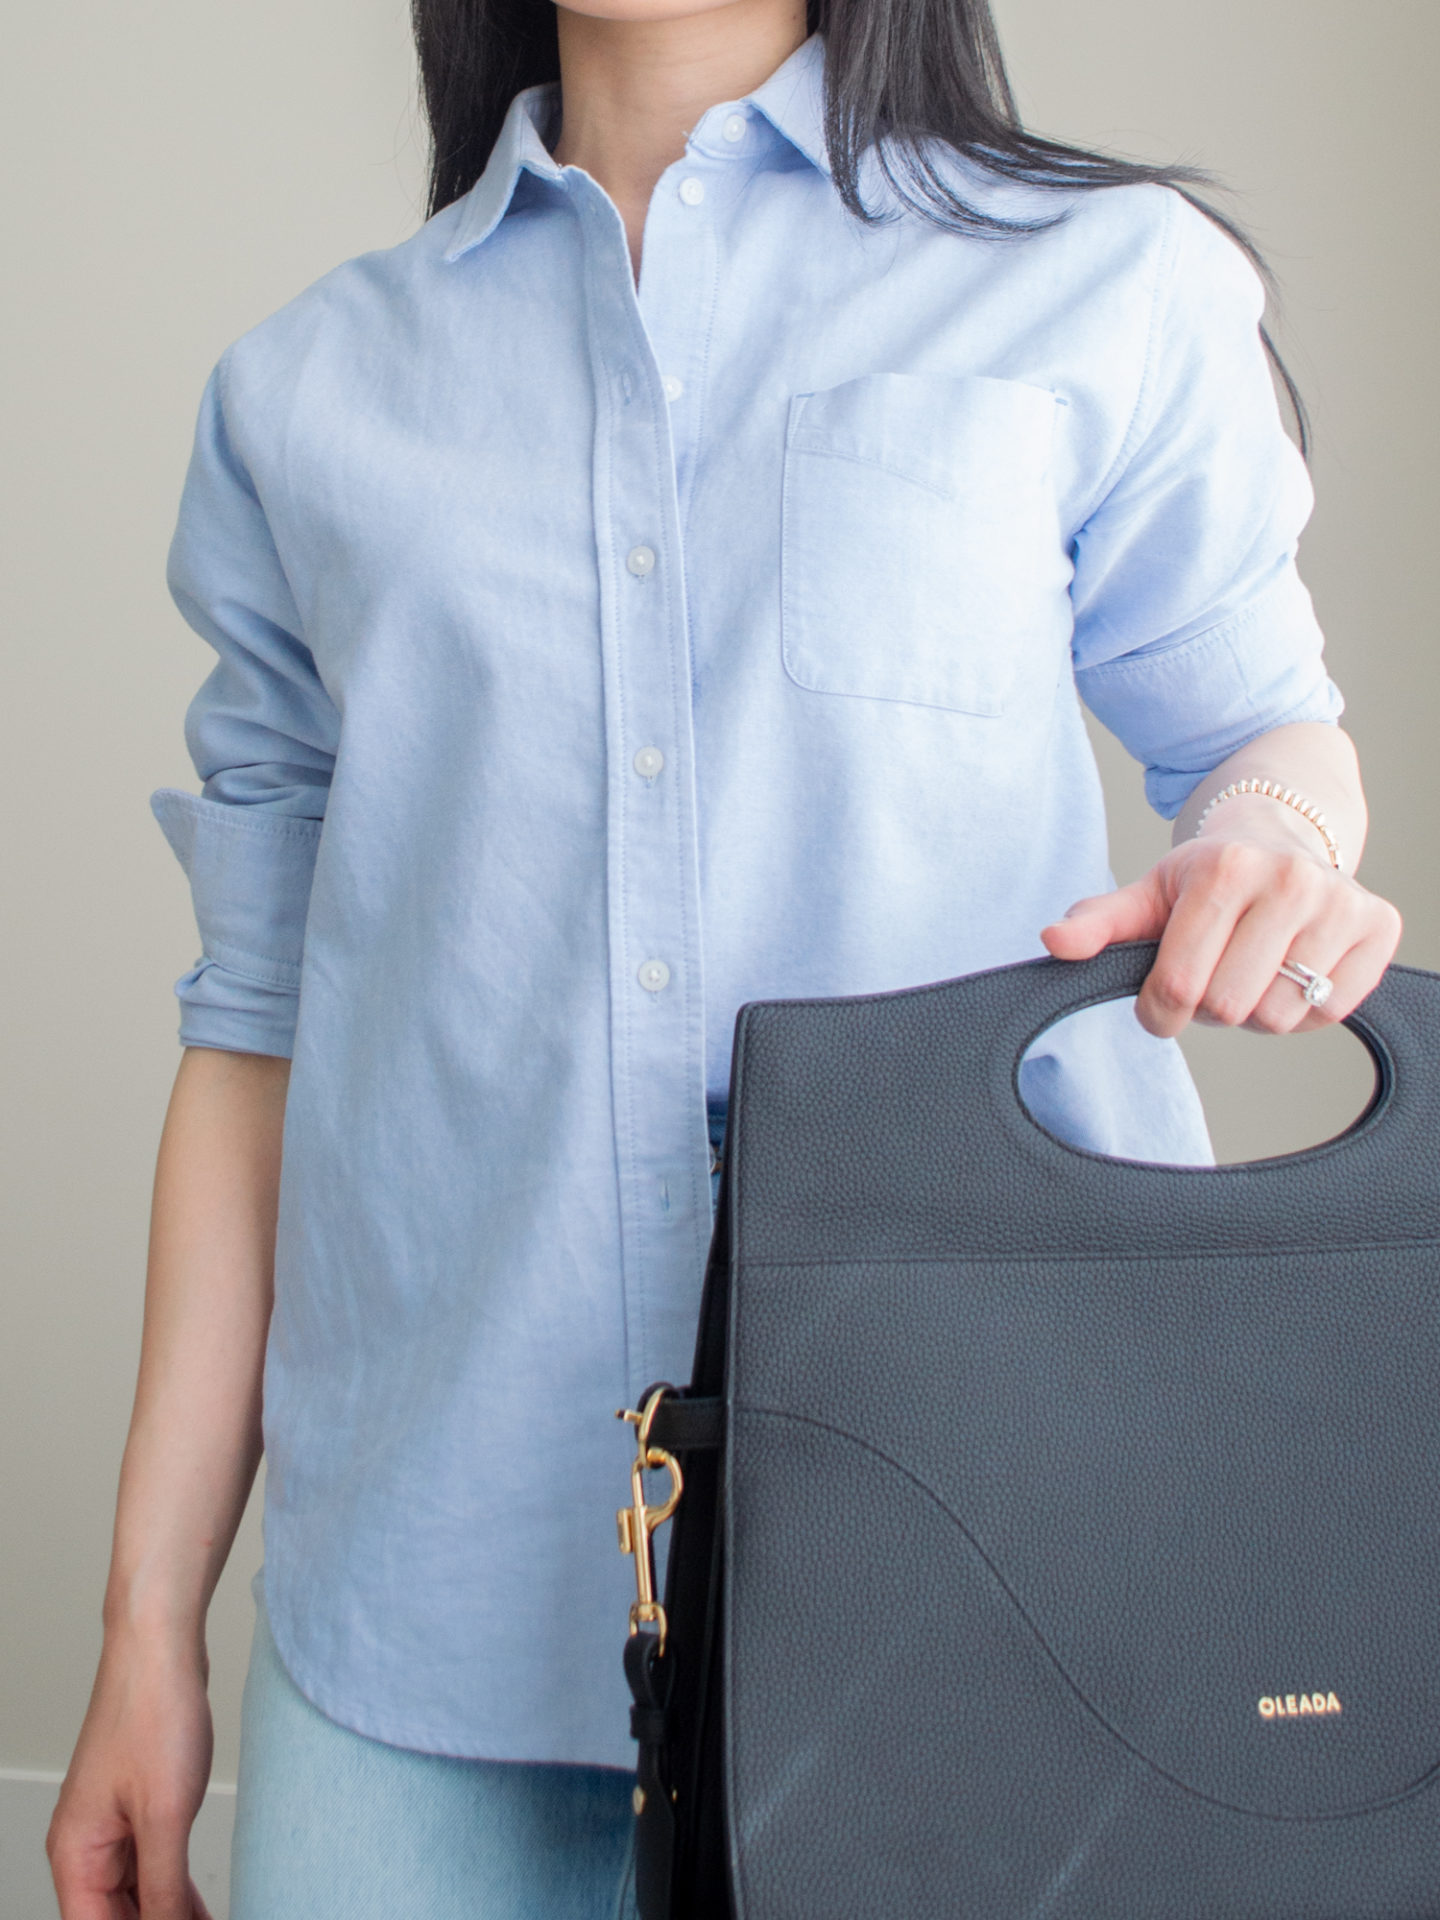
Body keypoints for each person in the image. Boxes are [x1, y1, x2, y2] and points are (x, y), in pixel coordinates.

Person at [47, 0, 1402, 1914]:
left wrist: (1277, 842)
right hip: (425, 1613)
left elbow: (1262, 729)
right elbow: (259, 1044)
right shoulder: (308, 392)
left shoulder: (1103, 283)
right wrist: (145, 1629)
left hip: (994, 1561)